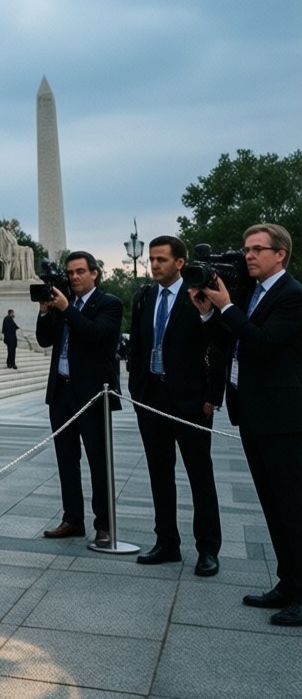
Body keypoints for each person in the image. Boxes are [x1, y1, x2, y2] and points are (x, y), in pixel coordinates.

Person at [190, 223, 302, 625]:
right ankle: (287, 584)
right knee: (272, 506)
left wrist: (225, 307)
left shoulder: (292, 295)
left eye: (257, 249)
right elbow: (229, 343)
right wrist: (208, 315)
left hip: (284, 419)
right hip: (253, 414)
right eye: (246, 248)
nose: (248, 255)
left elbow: (262, 342)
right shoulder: (253, 294)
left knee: (293, 507)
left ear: (280, 255)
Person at [127, 236, 224, 575]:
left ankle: (208, 549)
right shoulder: (144, 296)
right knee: (159, 473)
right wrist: (136, 390)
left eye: (161, 260)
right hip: (152, 397)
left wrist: (213, 397)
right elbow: (137, 345)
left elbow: (218, 345)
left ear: (179, 263)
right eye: (151, 259)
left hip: (191, 401)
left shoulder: (197, 294)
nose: (154, 265)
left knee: (200, 475)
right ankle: (167, 542)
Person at [36, 251, 123, 545]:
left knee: (99, 461)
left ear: (94, 273)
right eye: (70, 273)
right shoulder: (64, 304)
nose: (74, 277)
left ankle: (105, 524)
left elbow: (95, 334)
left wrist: (66, 309)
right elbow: (44, 340)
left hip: (92, 395)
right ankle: (72, 519)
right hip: (61, 393)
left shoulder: (109, 304)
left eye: (80, 272)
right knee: (66, 460)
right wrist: (46, 310)